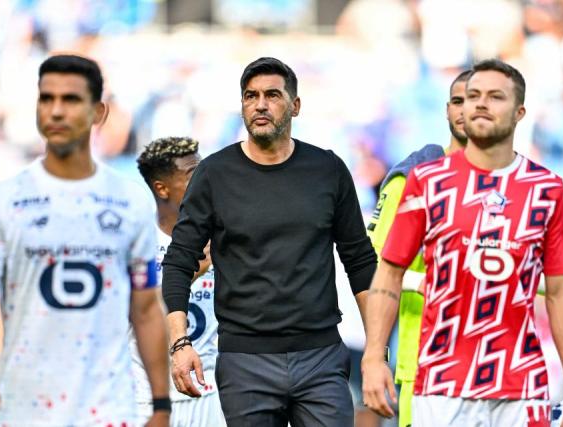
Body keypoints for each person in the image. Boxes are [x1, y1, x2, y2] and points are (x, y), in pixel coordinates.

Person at [362, 59, 563, 426]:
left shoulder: (546, 190)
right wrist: (374, 356)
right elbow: (384, 270)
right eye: (469, 97)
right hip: (436, 378)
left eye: (494, 96)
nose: (477, 105)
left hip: (520, 383)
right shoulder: (422, 181)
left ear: (519, 111)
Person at [161, 57, 377, 426]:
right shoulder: (214, 174)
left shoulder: (327, 170)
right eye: (250, 96)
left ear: (295, 105)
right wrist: (180, 343)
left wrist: (375, 348)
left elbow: (359, 261)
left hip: (321, 355)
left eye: (272, 95)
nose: (260, 104)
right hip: (246, 361)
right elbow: (179, 261)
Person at [0, 54, 170, 427]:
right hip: (26, 408)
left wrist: (161, 405)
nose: (56, 111)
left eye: (70, 100)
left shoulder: (131, 203)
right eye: (46, 98)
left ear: (98, 112)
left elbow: (147, 309)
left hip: (110, 410)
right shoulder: (3, 200)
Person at [365, 69, 470, 427]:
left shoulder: (522, 183)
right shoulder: (413, 175)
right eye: (458, 101)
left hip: (501, 372)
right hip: (425, 366)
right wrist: (421, 283)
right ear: (445, 109)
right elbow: (372, 261)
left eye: (476, 101)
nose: (465, 110)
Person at [134, 136, 224, 426]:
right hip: (148, 397)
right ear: (162, 188)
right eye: (192, 175)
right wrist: (190, 272)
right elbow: (132, 313)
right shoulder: (139, 242)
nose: (205, 182)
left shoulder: (224, 236)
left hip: (212, 393)